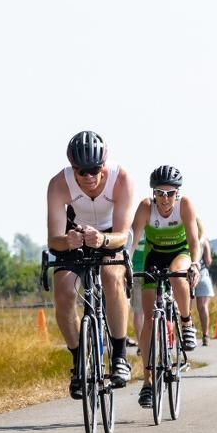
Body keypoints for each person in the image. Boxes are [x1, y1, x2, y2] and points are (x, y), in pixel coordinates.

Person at [46, 130, 134, 399]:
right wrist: (68, 240)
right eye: (81, 171)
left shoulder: (122, 180)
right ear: (73, 168)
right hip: (75, 236)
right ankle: (78, 361)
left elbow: (122, 235)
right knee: (64, 292)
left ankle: (119, 355)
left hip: (110, 235)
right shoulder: (59, 184)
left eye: (95, 169)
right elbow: (53, 241)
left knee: (112, 277)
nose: (89, 176)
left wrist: (103, 239)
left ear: (104, 164)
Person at [130, 165, 201, 409]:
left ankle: (186, 321)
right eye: (160, 193)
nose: (165, 199)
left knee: (177, 275)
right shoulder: (146, 208)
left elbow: (194, 241)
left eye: (171, 193)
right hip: (154, 256)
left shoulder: (185, 206)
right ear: (153, 194)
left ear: (178, 194)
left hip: (179, 253)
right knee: (149, 320)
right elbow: (133, 240)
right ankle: (148, 383)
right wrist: (126, 266)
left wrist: (195, 264)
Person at [194, 218, 214, 345]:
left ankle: (187, 333)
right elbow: (208, 261)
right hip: (202, 273)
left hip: (186, 274)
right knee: (202, 306)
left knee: (185, 308)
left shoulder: (184, 239)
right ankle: (205, 335)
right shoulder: (203, 241)